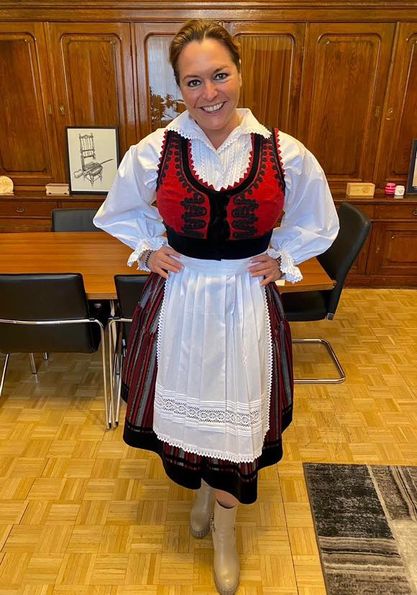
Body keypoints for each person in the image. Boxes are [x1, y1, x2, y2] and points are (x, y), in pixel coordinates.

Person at [94, 19, 339, 595]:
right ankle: (203, 493)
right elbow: (117, 210)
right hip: (182, 297)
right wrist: (147, 248)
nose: (209, 93)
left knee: (238, 414)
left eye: (220, 75)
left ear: (240, 73)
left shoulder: (285, 152)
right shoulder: (154, 150)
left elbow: (319, 219)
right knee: (198, 403)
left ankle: (224, 528)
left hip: (246, 300)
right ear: (179, 88)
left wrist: (283, 257)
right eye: (193, 81)